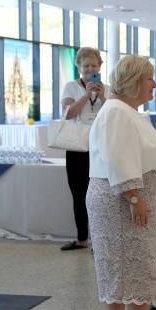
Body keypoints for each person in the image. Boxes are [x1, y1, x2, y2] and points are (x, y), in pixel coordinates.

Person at [86, 55, 156, 310]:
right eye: (150, 79)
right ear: (133, 80)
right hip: (123, 202)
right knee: (137, 271)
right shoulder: (117, 112)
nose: (154, 85)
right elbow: (119, 159)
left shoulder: (124, 111)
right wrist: (135, 198)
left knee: (122, 271)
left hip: (128, 200)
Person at [60, 47, 110, 251]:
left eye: (94, 65)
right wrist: (86, 95)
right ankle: (82, 239)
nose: (90, 69)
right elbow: (68, 114)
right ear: (79, 67)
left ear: (100, 67)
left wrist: (103, 96)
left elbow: (115, 113)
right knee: (79, 193)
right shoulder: (71, 87)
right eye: (86, 66)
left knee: (101, 193)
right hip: (77, 147)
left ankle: (101, 240)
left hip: (101, 146)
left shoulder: (106, 88)